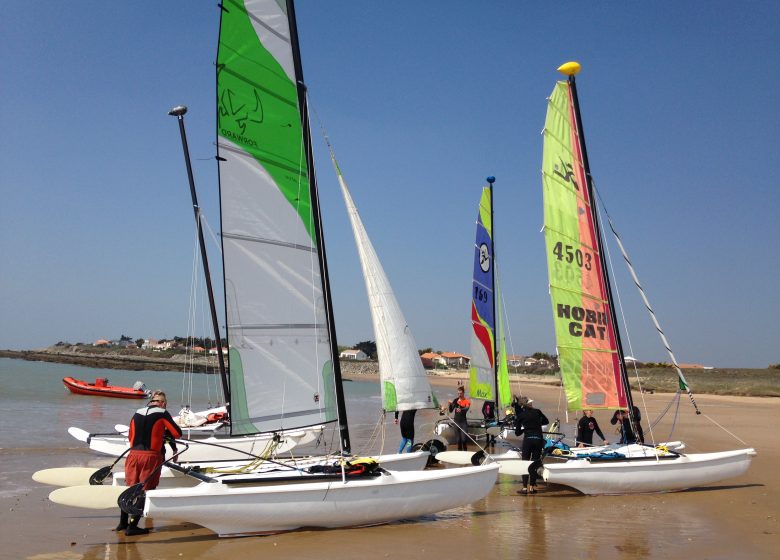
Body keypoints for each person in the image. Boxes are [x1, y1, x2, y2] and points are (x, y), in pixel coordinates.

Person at [118, 391, 182, 536]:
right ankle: (132, 527)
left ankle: (122, 523)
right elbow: (177, 433)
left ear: (151, 401)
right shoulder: (163, 413)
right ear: (163, 403)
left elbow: (130, 435)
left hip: (133, 455)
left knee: (130, 489)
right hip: (150, 457)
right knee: (145, 490)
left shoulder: (137, 412)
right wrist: (164, 435)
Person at [513, 396, 549, 494]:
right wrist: (536, 424)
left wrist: (525, 428)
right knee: (535, 463)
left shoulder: (521, 415)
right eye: (530, 402)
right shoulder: (537, 411)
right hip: (538, 439)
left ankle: (525, 488)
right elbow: (546, 421)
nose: (532, 404)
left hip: (528, 440)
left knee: (525, 462)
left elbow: (517, 433)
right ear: (528, 404)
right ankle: (532, 487)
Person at [447, 386, 471, 451]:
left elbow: (466, 408)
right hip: (456, 422)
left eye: (460, 393)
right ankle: (459, 453)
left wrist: (460, 408)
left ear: (463, 393)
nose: (459, 395)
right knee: (458, 440)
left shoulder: (466, 401)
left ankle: (465, 452)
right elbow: (450, 410)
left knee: (464, 439)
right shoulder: (455, 400)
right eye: (458, 393)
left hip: (463, 422)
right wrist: (450, 404)